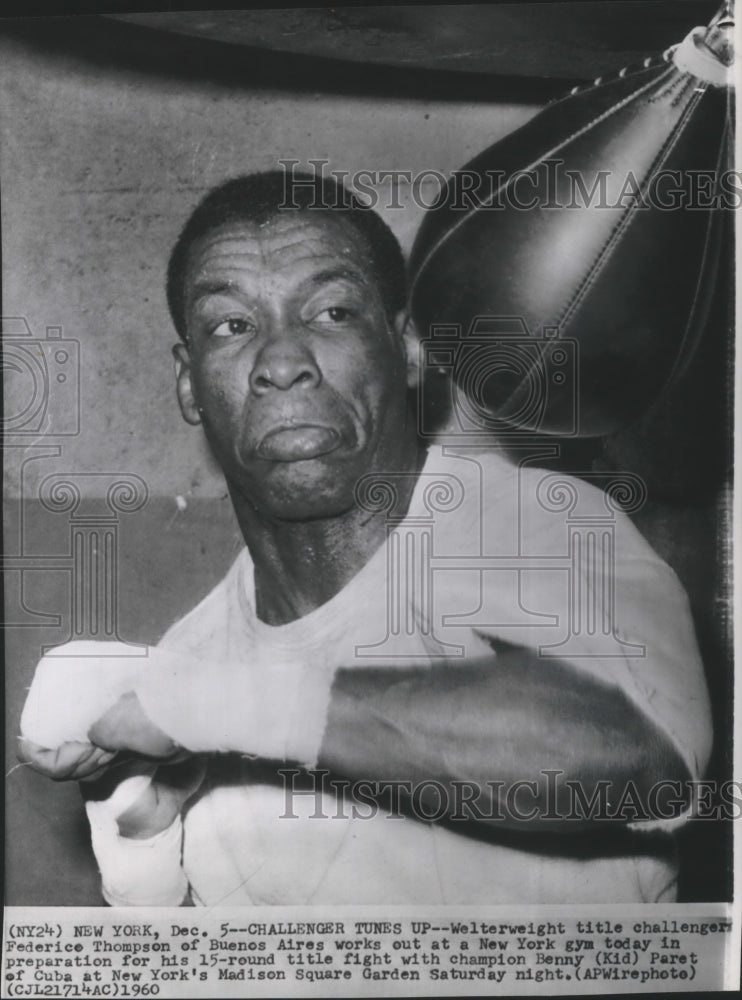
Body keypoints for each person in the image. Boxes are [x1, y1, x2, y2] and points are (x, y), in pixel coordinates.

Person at [19, 171, 712, 906]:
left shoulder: (537, 525)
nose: (282, 362)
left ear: (407, 349)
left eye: (332, 311)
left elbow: (637, 766)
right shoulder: (193, 660)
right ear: (190, 384)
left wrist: (204, 703)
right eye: (231, 325)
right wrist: (136, 833)